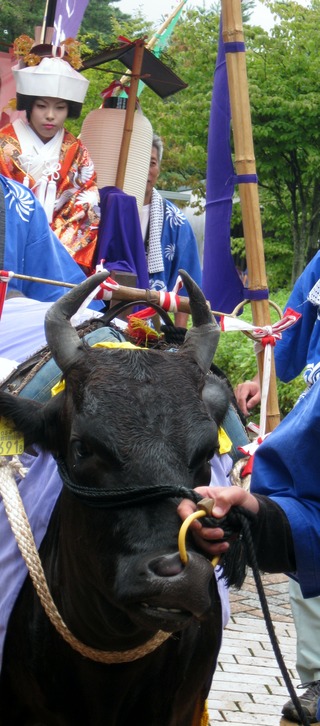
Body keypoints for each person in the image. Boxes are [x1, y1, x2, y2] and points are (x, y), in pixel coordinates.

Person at [234, 250, 320, 723]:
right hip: (315, 428)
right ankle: (318, 679)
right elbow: (286, 347)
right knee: (303, 530)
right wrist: (258, 377)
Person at [0, 35, 100, 273]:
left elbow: (84, 203)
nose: (50, 115)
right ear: (29, 105)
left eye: (60, 107)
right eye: (42, 106)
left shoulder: (76, 152)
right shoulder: (4, 145)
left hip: (56, 253)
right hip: (6, 246)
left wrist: (46, 247)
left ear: (70, 110)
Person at [139, 133, 202, 327]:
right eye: (140, 161)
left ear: (159, 168)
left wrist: (178, 335)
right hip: (110, 316)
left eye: (152, 163)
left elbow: (186, 281)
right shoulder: (107, 211)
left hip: (157, 323)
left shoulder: (176, 221)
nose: (146, 170)